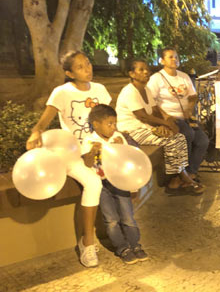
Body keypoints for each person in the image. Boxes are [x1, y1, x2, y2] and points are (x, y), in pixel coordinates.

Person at [25, 51, 110, 267]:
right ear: (69, 72)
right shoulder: (61, 92)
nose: (88, 69)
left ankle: (123, 235)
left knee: (119, 181)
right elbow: (44, 121)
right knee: (93, 182)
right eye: (80, 67)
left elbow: (110, 120)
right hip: (74, 152)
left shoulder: (100, 90)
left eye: (88, 63)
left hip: (100, 148)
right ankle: (87, 243)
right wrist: (36, 133)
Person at [116, 59, 204, 195]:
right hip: (131, 131)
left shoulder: (145, 89)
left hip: (144, 128)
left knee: (179, 137)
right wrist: (165, 124)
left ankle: (176, 179)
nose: (146, 72)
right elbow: (143, 116)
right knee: (173, 140)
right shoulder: (130, 91)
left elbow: (154, 111)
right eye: (141, 70)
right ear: (132, 74)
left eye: (147, 69)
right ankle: (181, 177)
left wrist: (163, 125)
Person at [81, 104, 148, 264]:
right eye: (109, 124)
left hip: (120, 182)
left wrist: (121, 148)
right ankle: (122, 248)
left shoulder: (118, 137)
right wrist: (92, 152)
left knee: (128, 216)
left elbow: (128, 161)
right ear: (96, 124)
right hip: (102, 185)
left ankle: (135, 245)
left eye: (114, 124)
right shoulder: (89, 140)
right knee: (111, 219)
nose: (113, 127)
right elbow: (87, 164)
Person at [147, 48, 209, 183]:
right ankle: (181, 173)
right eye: (170, 57)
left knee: (203, 141)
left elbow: (192, 96)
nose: (174, 59)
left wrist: (189, 110)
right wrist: (165, 117)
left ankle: (191, 173)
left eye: (176, 57)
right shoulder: (157, 78)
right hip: (171, 118)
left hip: (186, 118)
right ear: (162, 61)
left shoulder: (184, 76)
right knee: (188, 134)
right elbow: (151, 102)